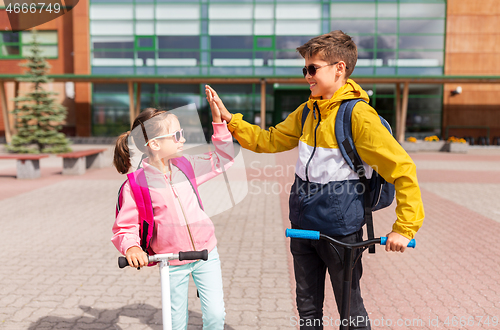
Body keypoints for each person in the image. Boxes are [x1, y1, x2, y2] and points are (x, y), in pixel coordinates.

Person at [205, 30, 425, 330]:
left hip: (340, 231)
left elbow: (403, 170)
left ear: (339, 68)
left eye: (313, 68)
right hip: (303, 226)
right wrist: (232, 121)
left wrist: (405, 228)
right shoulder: (308, 110)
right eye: (304, 68)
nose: (307, 76)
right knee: (307, 311)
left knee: (351, 312)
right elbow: (269, 140)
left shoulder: (360, 116)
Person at [112, 104, 233, 330]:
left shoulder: (186, 165)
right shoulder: (136, 185)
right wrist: (132, 248)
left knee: (216, 316)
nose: (183, 139)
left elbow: (223, 159)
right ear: (155, 144)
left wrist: (218, 123)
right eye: (177, 135)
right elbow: (124, 228)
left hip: (206, 253)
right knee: (175, 324)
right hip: (170, 261)